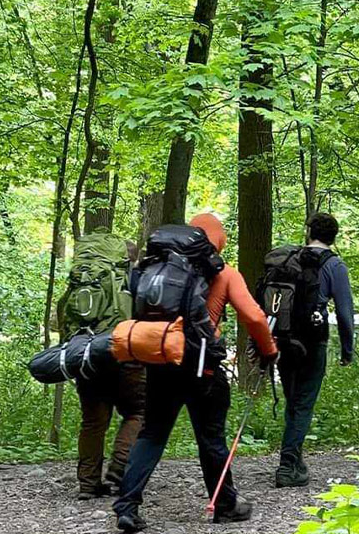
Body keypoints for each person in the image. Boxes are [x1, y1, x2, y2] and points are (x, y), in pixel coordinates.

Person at [113, 213, 278, 533]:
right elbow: (255, 317)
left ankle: (127, 506)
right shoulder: (224, 272)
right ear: (218, 239)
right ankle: (226, 505)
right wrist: (269, 350)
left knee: (152, 434)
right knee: (211, 437)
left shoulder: (156, 267)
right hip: (203, 366)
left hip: (162, 358)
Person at [58, 236, 145, 501]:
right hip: (126, 354)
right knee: (138, 411)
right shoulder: (133, 280)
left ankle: (88, 483)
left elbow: (61, 318)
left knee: (93, 422)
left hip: (87, 355)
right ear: (129, 260)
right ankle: (119, 469)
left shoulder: (79, 283)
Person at [276, 212, 354, 488]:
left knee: (293, 401)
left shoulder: (289, 258)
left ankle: (294, 461)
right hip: (313, 342)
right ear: (333, 236)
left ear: (308, 231)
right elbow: (344, 313)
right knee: (303, 404)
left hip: (284, 339)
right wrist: (347, 349)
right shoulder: (334, 265)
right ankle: (288, 466)